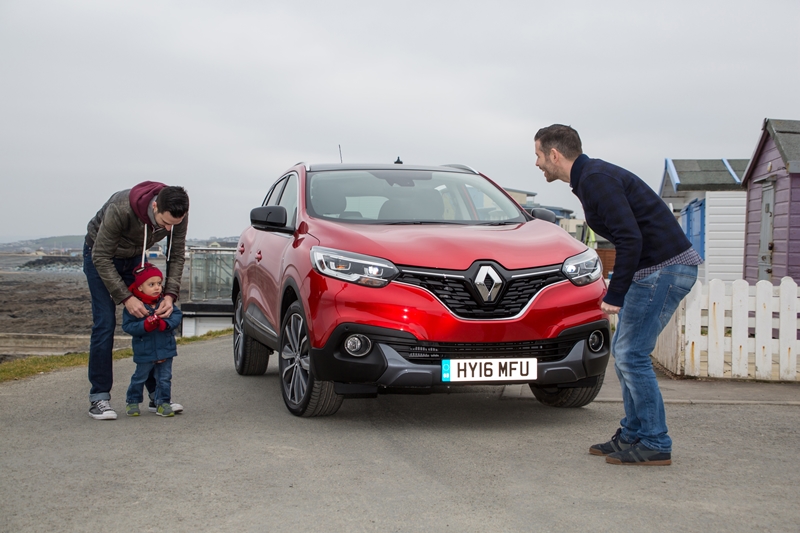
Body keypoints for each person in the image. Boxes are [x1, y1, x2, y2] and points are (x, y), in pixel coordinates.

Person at [534, 124, 701, 466]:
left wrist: (615, 294)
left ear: (554, 154)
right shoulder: (590, 178)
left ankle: (655, 441)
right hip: (654, 270)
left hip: (662, 269)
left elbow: (629, 238)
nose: (536, 163)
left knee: (632, 355)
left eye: (538, 155)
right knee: (626, 355)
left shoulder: (595, 179)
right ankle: (633, 434)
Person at [84, 182, 189, 420]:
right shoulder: (120, 208)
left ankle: (157, 397)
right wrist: (126, 298)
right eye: (164, 223)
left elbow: (176, 254)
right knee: (105, 323)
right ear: (155, 206)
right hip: (100, 256)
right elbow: (101, 256)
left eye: (174, 224)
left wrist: (170, 295)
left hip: (134, 258)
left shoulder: (178, 211)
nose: (168, 229)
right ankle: (99, 397)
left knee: (152, 316)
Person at [122, 263, 183, 417]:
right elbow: (128, 326)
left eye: (159, 284)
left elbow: (177, 316)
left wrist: (165, 324)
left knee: (165, 378)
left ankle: (162, 403)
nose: (157, 288)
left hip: (166, 349)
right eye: (151, 284)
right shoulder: (135, 307)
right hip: (145, 350)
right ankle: (132, 401)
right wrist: (145, 326)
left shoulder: (164, 303)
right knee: (140, 377)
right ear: (140, 287)